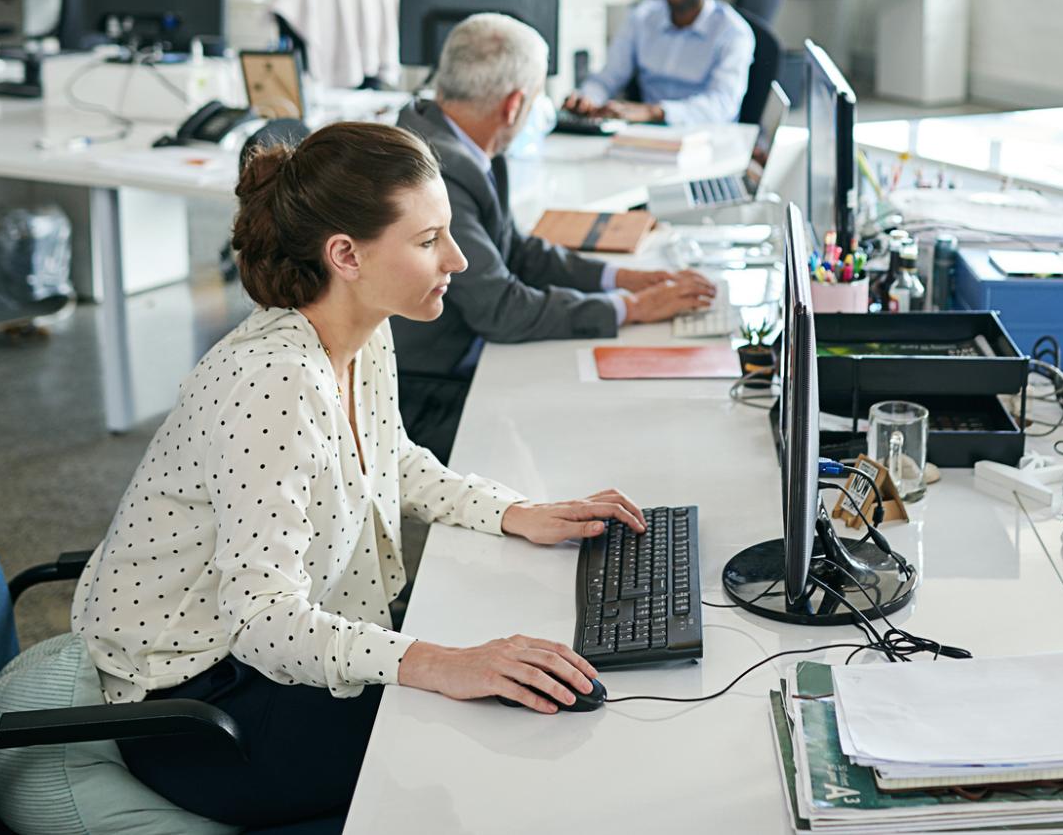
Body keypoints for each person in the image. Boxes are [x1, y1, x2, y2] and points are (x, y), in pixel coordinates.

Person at [71, 121, 654, 828]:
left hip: (271, 661)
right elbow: (262, 623)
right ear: (345, 254)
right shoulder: (272, 386)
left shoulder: (362, 329)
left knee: (520, 693)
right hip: (200, 708)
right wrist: (442, 662)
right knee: (493, 750)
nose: (460, 260)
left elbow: (389, 457)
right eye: (428, 239)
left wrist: (514, 510)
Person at [393, 13, 716, 456]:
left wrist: (620, 279)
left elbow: (518, 251)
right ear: (513, 106)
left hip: (466, 356)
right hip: (430, 389)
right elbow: (501, 309)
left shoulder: (457, 139)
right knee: (589, 426)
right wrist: (632, 309)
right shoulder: (438, 172)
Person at [564, 0, 756, 125]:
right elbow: (608, 77)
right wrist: (587, 98)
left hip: (707, 138)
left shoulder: (733, 32)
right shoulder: (643, 17)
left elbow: (721, 105)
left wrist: (656, 112)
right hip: (649, 136)